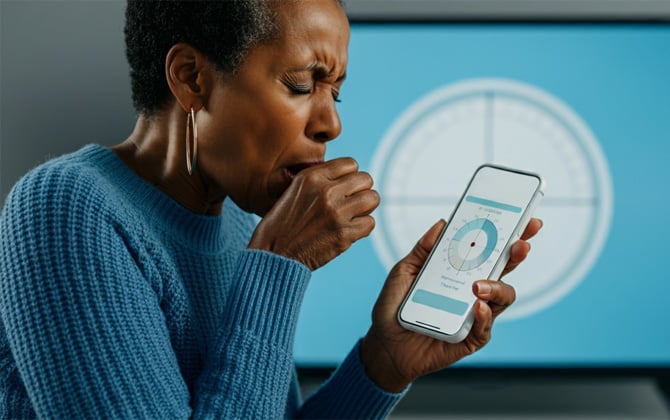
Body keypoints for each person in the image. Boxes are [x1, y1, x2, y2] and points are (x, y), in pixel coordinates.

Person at [0, 0, 542, 418]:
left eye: (336, 92)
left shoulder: (239, 223)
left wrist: (382, 365)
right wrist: (278, 265)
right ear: (192, 78)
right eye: (302, 84)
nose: (331, 124)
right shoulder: (65, 210)